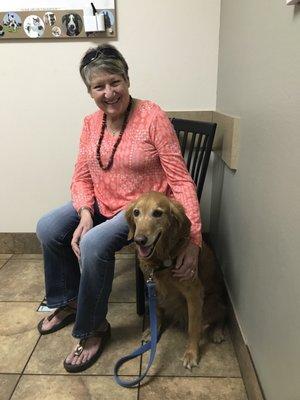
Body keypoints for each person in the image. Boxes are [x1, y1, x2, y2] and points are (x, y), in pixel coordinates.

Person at [36, 43, 202, 373]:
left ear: (127, 79)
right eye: (99, 86)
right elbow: (81, 176)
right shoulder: (89, 123)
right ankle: (67, 300)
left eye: (115, 82)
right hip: (99, 201)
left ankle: (94, 328)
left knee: (93, 243)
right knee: (49, 226)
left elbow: (181, 181)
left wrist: (194, 240)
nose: (109, 93)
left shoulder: (152, 116)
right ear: (90, 91)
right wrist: (85, 212)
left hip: (139, 210)